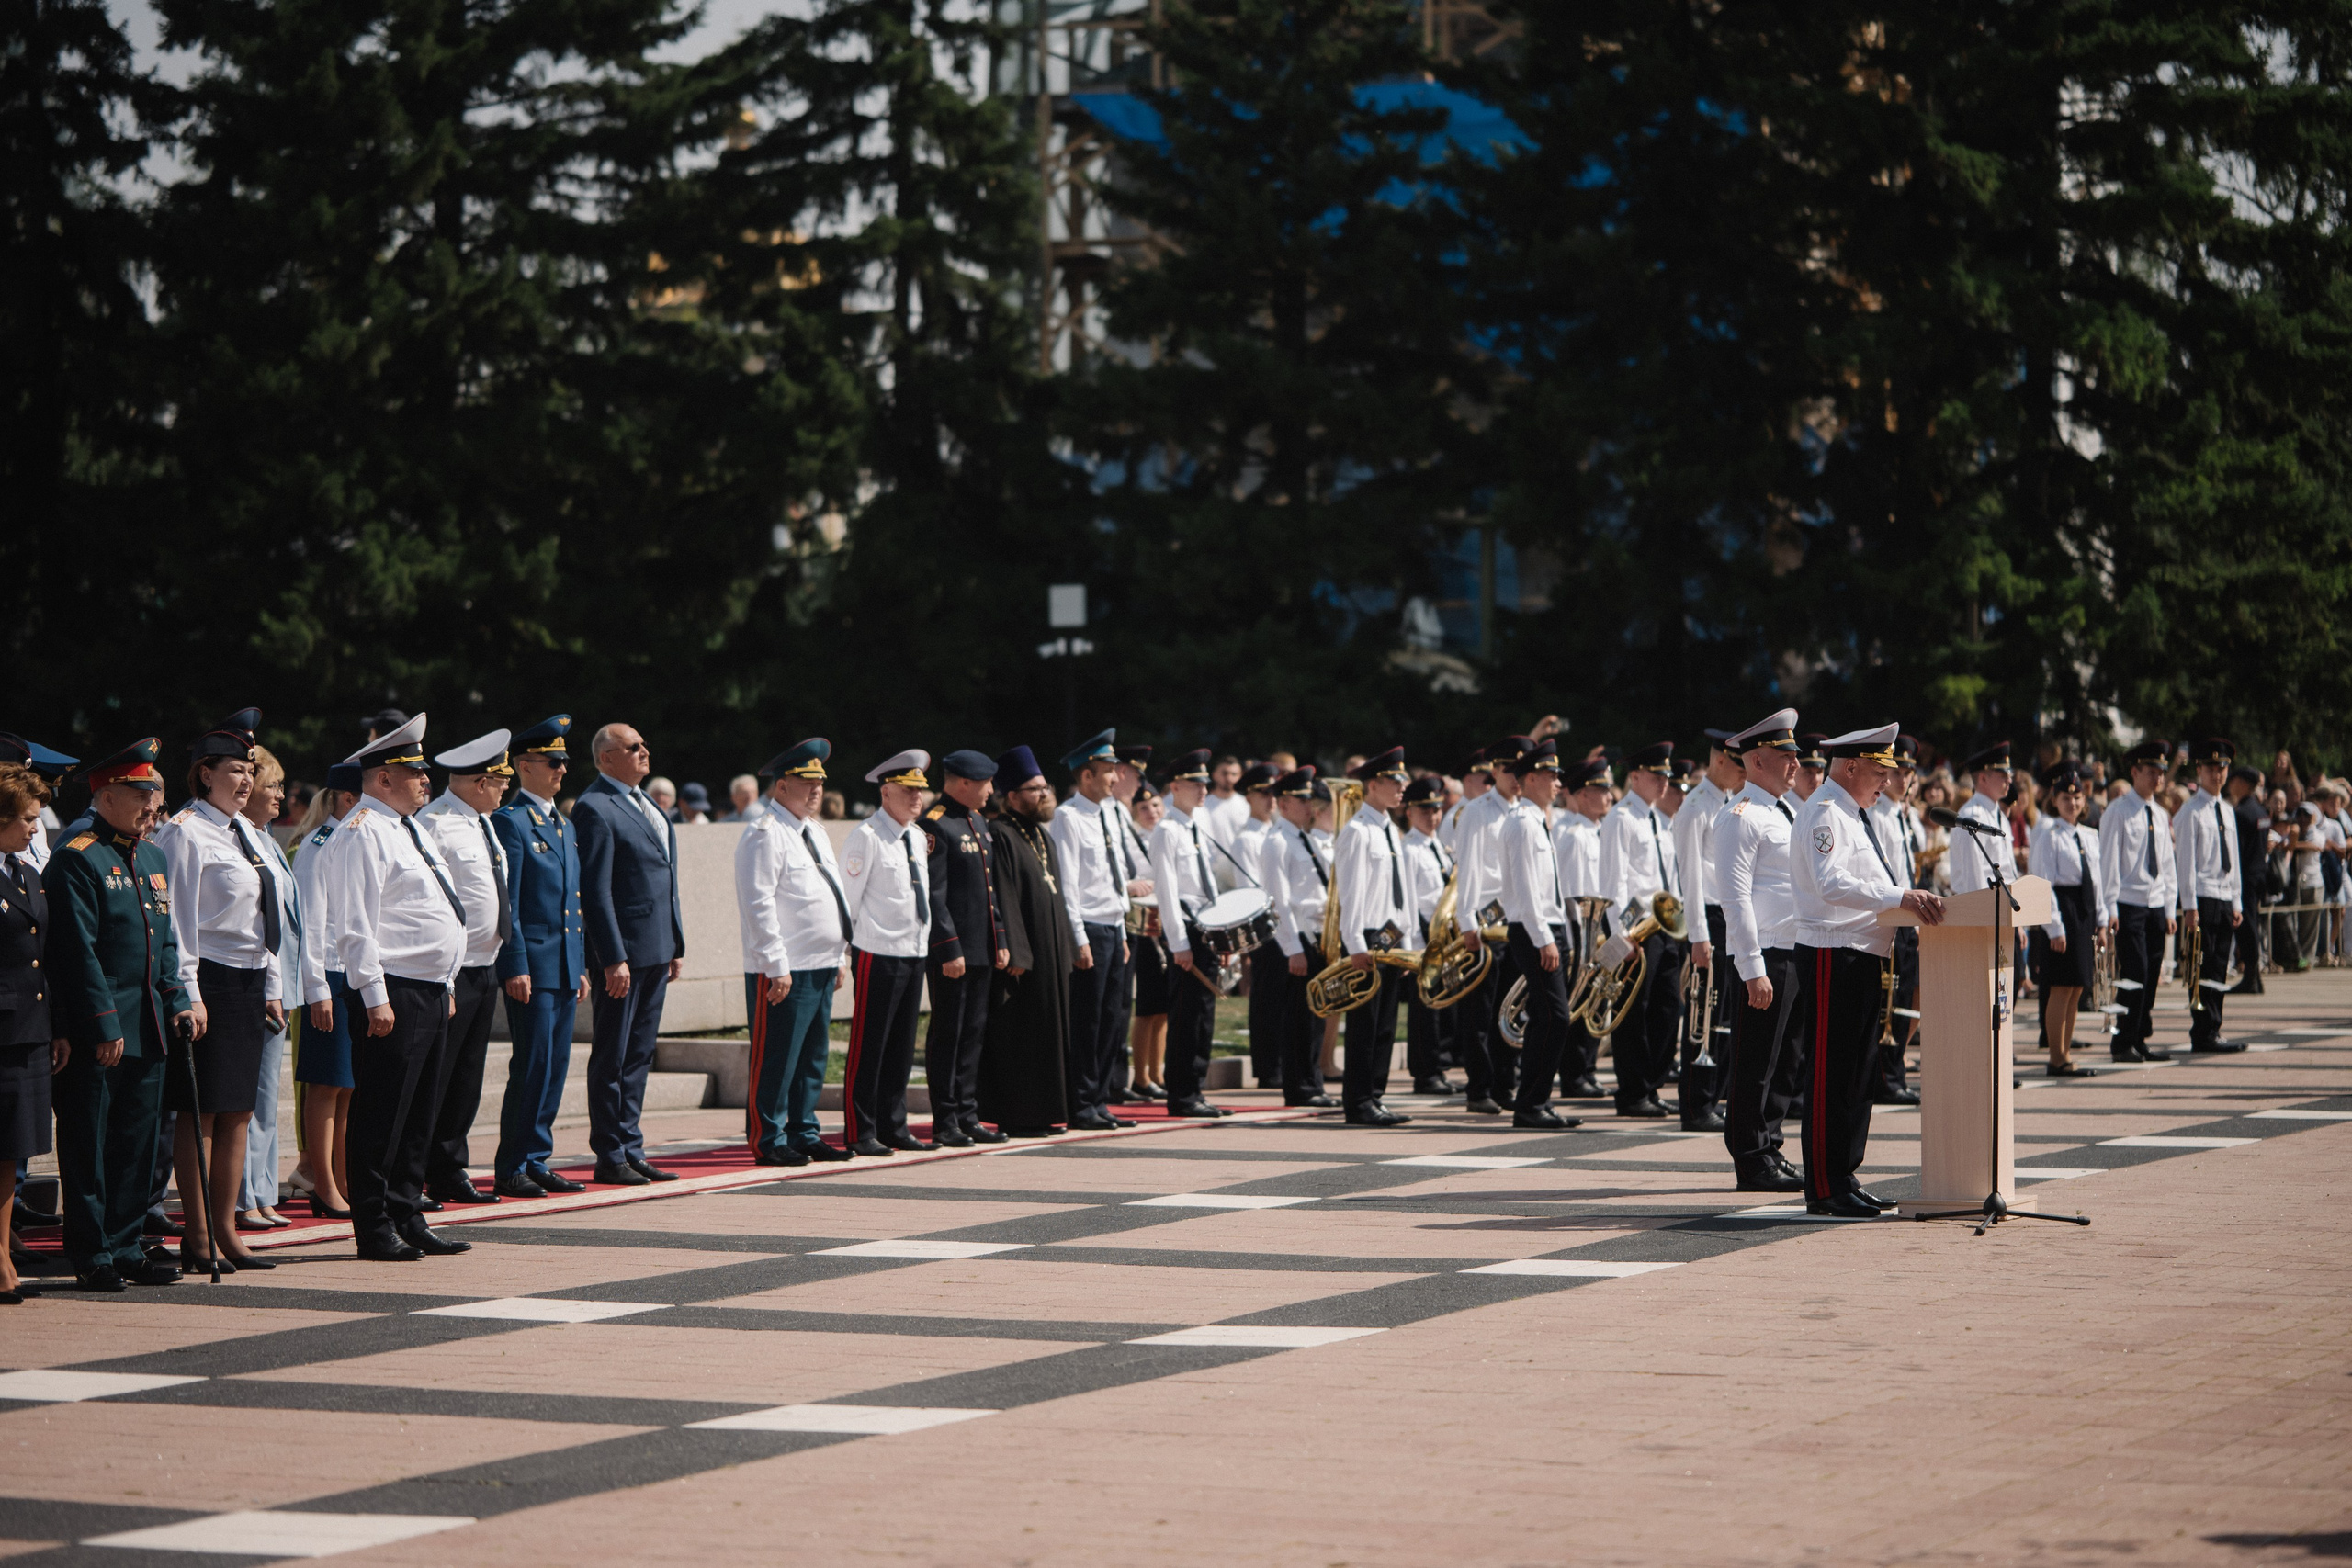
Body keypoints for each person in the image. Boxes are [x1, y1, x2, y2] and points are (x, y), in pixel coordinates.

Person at [47, 739, 198, 1290]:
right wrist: (103, 1023)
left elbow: (165, 940)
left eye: (153, 793)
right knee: (90, 1144)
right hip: (102, 1028)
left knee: (138, 1142)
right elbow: (77, 952)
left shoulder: (152, 856)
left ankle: (127, 1243)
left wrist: (177, 999)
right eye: (140, 794)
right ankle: (93, 1253)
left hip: (149, 1023)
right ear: (106, 795)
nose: (151, 805)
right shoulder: (77, 856)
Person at [329, 716, 471, 1261]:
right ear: (383, 778)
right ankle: (373, 1224)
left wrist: (447, 980)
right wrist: (375, 996)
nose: (425, 780)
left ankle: (407, 1213)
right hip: (393, 990)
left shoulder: (408, 828)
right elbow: (356, 925)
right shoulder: (363, 831)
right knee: (381, 1115)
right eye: (414, 772)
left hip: (429, 988)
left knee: (417, 1115)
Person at [1792, 725, 1946, 1218]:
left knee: (1857, 1073)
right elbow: (1830, 883)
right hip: (1832, 952)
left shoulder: (1853, 813)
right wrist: (1900, 897)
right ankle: (1823, 1185)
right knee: (1830, 1072)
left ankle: (1844, 1176)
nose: (1887, 781)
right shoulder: (1824, 811)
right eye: (1880, 771)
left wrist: (1904, 904)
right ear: (1850, 766)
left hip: (1862, 951)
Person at [152, 709, 284, 1274]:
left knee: (238, 1112)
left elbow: (263, 916)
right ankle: (199, 1232)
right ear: (205, 774)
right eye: (234, 770)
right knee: (201, 1113)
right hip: (209, 979)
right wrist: (188, 992)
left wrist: (272, 984)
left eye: (251, 770)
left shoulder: (245, 831)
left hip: (249, 980)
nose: (246, 780)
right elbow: (176, 921)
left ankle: (227, 1227)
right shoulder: (184, 832)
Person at [573, 721, 685, 1185]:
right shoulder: (594, 807)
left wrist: (676, 942)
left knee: (639, 1054)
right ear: (606, 758)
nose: (644, 751)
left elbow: (664, 880)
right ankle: (610, 1153)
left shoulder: (648, 804)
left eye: (643, 744)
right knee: (613, 1055)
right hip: (624, 955)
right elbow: (596, 891)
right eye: (632, 747)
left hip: (656, 947)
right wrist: (611, 956)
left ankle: (631, 1146)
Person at [734, 739, 854, 1168]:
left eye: (820, 782)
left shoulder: (814, 831)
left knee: (811, 1058)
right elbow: (758, 904)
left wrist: (838, 956)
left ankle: (804, 1132)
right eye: (807, 782)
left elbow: (831, 894)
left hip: (820, 963)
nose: (817, 789)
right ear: (782, 786)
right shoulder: (766, 833)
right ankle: (769, 1138)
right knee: (778, 1058)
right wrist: (775, 964)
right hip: (785, 968)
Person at [489, 716, 592, 1198]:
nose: (561, 770)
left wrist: (580, 964)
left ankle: (537, 1157)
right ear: (524, 766)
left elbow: (572, 903)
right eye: (552, 762)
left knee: (554, 1068)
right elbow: (509, 902)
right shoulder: (511, 822)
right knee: (532, 1066)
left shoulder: (563, 825)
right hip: (533, 965)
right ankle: (513, 1163)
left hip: (563, 965)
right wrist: (515, 964)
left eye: (564, 762)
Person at [418, 729, 515, 1204]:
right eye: (500, 780)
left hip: (484, 965)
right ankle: (415, 1171)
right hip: (451, 971)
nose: (505, 788)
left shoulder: (483, 822)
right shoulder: (435, 824)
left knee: (466, 1077)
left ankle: (449, 1167)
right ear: (480, 782)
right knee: (435, 1078)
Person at [1713, 710, 1807, 1191]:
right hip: (1765, 954)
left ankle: (1770, 1146)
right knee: (1755, 1063)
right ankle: (1750, 1159)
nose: (1796, 763)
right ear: (1757, 760)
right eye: (1785, 754)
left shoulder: (1786, 812)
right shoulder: (1740, 817)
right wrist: (1752, 968)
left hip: (1793, 949)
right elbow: (1736, 899)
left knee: (1785, 1060)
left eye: (1794, 754)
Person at [981, 747, 1082, 1134]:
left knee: (1051, 1032)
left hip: (1052, 952)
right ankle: (1021, 1116)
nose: (1044, 794)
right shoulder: (1000, 834)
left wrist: (1069, 944)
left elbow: (1058, 895)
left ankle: (1049, 1111)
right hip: (1025, 958)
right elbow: (1004, 896)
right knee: (1023, 1034)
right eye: (1034, 789)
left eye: (1045, 787)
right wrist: (1018, 952)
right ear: (1012, 796)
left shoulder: (1042, 835)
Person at [841, 750, 934, 1155]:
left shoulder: (915, 835)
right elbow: (849, 901)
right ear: (886, 793)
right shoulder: (867, 836)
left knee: (901, 1046)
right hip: (877, 951)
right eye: (908, 790)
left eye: (920, 790)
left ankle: (893, 1125)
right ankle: (861, 1129)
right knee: (870, 1044)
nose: (917, 798)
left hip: (913, 950)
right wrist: (843, 954)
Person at [1051, 730, 1141, 1131]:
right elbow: (1068, 885)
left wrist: (1121, 930)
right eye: (1108, 771)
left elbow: (1114, 876)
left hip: (1112, 926)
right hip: (1088, 927)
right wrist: (1079, 938)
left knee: (1111, 1020)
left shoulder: (1108, 813)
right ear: (1086, 775)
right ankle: (1082, 1102)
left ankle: (1100, 1098)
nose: (1116, 778)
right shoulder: (1068, 818)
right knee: (1087, 1021)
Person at [922, 750, 1006, 1148]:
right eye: (986, 783)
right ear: (965, 783)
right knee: (949, 1034)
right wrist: (948, 948)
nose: (991, 790)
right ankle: (946, 1119)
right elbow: (935, 895)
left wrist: (1000, 939)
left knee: (973, 1033)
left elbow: (989, 891)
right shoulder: (936, 823)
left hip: (981, 948)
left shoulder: (978, 821)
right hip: (953, 952)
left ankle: (968, 1114)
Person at [1598, 741, 1685, 1120]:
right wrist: (1621, 935)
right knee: (1634, 1012)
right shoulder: (1621, 818)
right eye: (1656, 775)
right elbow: (1614, 881)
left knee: (1667, 1008)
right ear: (1635, 776)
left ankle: (1651, 1084)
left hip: (1664, 926)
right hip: (1637, 929)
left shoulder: (1658, 819)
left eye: (1666, 775)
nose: (1664, 782)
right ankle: (1633, 1091)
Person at [1495, 740, 1578, 1129]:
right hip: (1534, 930)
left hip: (1546, 927)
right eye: (1551, 775)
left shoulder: (1538, 821)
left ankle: (1535, 1102)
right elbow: (1527, 890)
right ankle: (1530, 1104)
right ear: (1530, 778)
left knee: (1550, 1018)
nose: (1558, 782)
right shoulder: (1523, 823)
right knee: (1554, 1017)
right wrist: (1544, 937)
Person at [0, 762, 60, 1301]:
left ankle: (1, 1252)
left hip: (28, 1029)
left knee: (11, 1149)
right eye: (25, 818)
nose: (34, 828)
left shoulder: (25, 872)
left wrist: (55, 1027)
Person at [291, 761, 361, 1217]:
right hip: (329, 975)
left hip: (354, 976)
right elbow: (312, 924)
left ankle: (343, 1177)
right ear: (348, 799)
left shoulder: (354, 841)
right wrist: (317, 989)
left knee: (347, 1085)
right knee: (326, 1084)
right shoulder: (320, 845)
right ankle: (322, 1182)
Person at [1450, 737, 1532, 1114]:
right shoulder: (1477, 811)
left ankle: (1504, 1083)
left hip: (1517, 920)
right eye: (1510, 770)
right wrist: (1466, 920)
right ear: (1495, 771)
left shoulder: (1525, 810)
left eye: (1522, 771)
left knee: (1511, 1009)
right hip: (1486, 921)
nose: (1516, 778)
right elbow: (1467, 869)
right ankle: (1479, 1088)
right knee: (1480, 1011)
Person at [1331, 749, 1414, 1127]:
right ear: (1374, 784)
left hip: (1392, 935)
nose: (1402, 788)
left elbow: (1402, 891)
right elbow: (1351, 894)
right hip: (1368, 935)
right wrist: (1355, 945)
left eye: (1402, 781)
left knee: (1385, 1024)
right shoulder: (1358, 831)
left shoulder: (1390, 830)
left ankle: (1375, 1095)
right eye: (1395, 781)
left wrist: (1407, 945)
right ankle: (1359, 1101)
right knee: (1365, 1024)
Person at [237, 746, 300, 1231]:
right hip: (252, 982)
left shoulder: (266, 839)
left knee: (267, 1097)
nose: (280, 795)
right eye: (271, 786)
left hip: (279, 984)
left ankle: (262, 1190)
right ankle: (244, 1195)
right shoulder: (239, 838)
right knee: (250, 1098)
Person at [1148, 749, 1231, 1119]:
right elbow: (1167, 892)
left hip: (1206, 927)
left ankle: (1196, 1088)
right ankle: (1182, 1094)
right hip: (1187, 931)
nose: (1204, 790)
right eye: (1196, 784)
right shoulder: (1166, 831)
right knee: (1185, 1017)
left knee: (1204, 1015)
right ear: (1176, 786)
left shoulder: (1197, 825)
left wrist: (1222, 931)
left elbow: (1207, 883)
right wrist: (1179, 943)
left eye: (1205, 784)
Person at [1670, 731, 1742, 1132]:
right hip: (1708, 919)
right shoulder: (1696, 807)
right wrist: (1698, 935)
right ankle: (1696, 1105)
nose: (1743, 773)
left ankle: (1713, 1097)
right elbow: (1692, 879)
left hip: (1727, 916)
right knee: (1704, 1012)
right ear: (1719, 760)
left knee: (1723, 1014)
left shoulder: (1726, 802)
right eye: (1738, 764)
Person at [2100, 739, 2178, 1064]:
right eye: (2151, 771)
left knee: (2152, 974)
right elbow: (2108, 862)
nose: (2157, 778)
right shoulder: (2118, 811)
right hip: (2129, 902)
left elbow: (2168, 865)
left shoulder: (2160, 814)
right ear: (2135, 772)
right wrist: (2110, 906)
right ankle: (2122, 1041)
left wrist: (2171, 907)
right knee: (2135, 973)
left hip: (2156, 903)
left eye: (2161, 772)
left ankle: (2140, 1037)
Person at [1263, 766, 1337, 1108]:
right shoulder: (1277, 841)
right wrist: (1293, 948)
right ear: (1283, 803)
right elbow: (1278, 901)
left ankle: (1313, 1081)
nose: (1310, 806)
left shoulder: (1303, 838)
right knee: (1299, 1018)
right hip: (1299, 936)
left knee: (1316, 1015)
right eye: (1302, 800)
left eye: (1310, 800)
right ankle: (1299, 1087)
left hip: (1319, 935)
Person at [2170, 739, 2247, 1053]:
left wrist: (2236, 900)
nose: (2217, 774)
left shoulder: (2227, 810)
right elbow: (2186, 862)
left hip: (2224, 895)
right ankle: (2202, 1030)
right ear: (2199, 770)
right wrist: (2189, 905)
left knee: (2219, 965)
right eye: (2211, 768)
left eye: (2222, 768)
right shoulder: (2191, 811)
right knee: (2201, 966)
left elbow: (2234, 859)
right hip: (2202, 896)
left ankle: (2215, 1027)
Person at [2029, 762, 2106, 1077]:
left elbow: (2097, 880)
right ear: (2054, 800)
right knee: (2061, 987)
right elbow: (2044, 882)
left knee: (2077, 988)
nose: (2072, 803)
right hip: (2064, 911)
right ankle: (2056, 1056)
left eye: (2077, 798)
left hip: (2084, 912)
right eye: (2065, 798)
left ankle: (2066, 1052)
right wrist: (2054, 927)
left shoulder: (2089, 835)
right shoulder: (2050, 835)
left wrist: (2102, 920)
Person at [1866, 736, 1927, 1103]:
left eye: (1909, 773)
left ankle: (1895, 1070)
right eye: (1898, 772)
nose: (1903, 780)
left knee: (1903, 999)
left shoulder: (1902, 815)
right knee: (1890, 1000)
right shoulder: (1879, 814)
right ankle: (1885, 1077)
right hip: (1892, 913)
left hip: (1908, 916)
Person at [1551, 757, 1613, 1100]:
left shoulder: (1599, 832)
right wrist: (1582, 941)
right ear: (1582, 795)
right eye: (1600, 789)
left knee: (1599, 997)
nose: (1608, 796)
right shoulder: (1575, 836)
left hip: (1602, 924)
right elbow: (1572, 893)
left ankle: (1587, 1068)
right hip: (1583, 927)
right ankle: (1574, 1074)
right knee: (1582, 997)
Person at [1399, 774, 1456, 1095]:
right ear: (1409, 812)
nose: (1433, 816)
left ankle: (1439, 1066)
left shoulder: (1438, 846)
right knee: (1424, 1011)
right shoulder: (1410, 850)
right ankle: (1425, 1072)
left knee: (1441, 1006)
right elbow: (1409, 900)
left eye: (1436, 810)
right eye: (1425, 811)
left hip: (1444, 939)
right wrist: (1414, 947)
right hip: (1424, 940)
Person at [1233, 762, 1283, 1088]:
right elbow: (1250, 889)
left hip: (1286, 925)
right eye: (1264, 793)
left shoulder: (1276, 833)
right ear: (1249, 797)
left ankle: (1281, 1061)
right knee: (1267, 999)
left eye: (1274, 792)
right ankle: (1268, 1068)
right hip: (1266, 927)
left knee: (1283, 999)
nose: (1271, 799)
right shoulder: (1246, 839)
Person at [1125, 782, 1170, 1100]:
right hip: (1143, 926)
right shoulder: (1133, 841)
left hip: (1166, 924)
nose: (1151, 812)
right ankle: (1140, 1076)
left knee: (1163, 1007)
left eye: (1155, 805)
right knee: (1147, 1005)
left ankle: (1157, 1073)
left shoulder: (1167, 835)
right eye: (1143, 808)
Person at [2227, 762, 2267, 993]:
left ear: (2242, 783)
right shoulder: (2260, 811)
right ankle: (2254, 977)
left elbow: (2237, 850)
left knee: (2246, 927)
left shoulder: (2241, 813)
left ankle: (2251, 977)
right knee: (2253, 924)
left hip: (2245, 877)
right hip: (2258, 874)